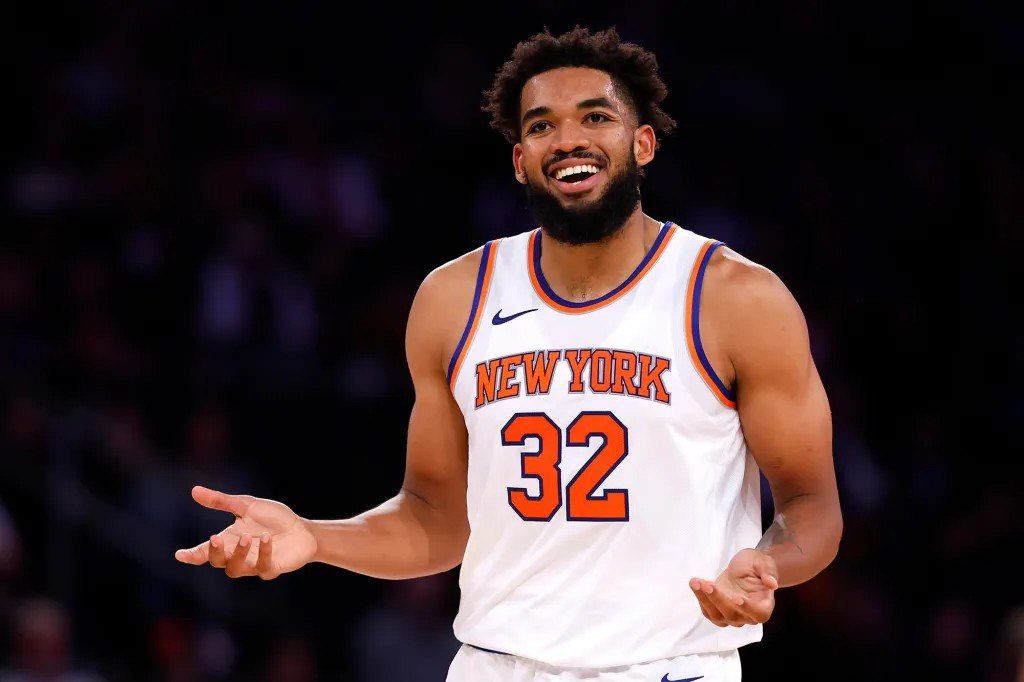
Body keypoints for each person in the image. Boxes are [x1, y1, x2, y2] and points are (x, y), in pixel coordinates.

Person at [174, 26, 842, 681]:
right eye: (542, 125)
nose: (568, 139)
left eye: (596, 117)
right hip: (496, 665)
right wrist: (316, 537)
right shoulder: (454, 298)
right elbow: (435, 517)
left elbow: (811, 502)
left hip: (669, 667)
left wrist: (771, 564)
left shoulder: (734, 298)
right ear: (521, 159)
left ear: (643, 144)